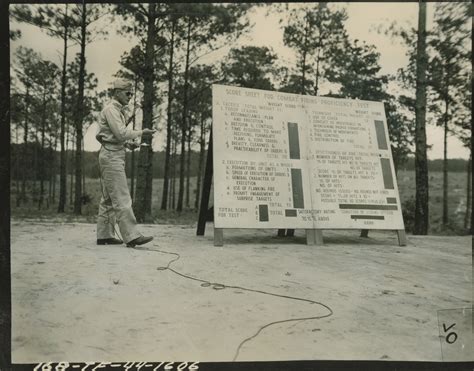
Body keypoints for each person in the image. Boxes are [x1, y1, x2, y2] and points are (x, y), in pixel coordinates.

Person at [95, 78, 156, 247]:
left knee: (108, 199)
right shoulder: (111, 110)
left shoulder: (116, 110)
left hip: (113, 153)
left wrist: (128, 144)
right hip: (111, 157)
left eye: (132, 93)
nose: (130, 96)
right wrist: (141, 133)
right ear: (117, 93)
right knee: (122, 197)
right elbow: (121, 133)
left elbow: (114, 136)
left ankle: (104, 235)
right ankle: (132, 236)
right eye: (127, 93)